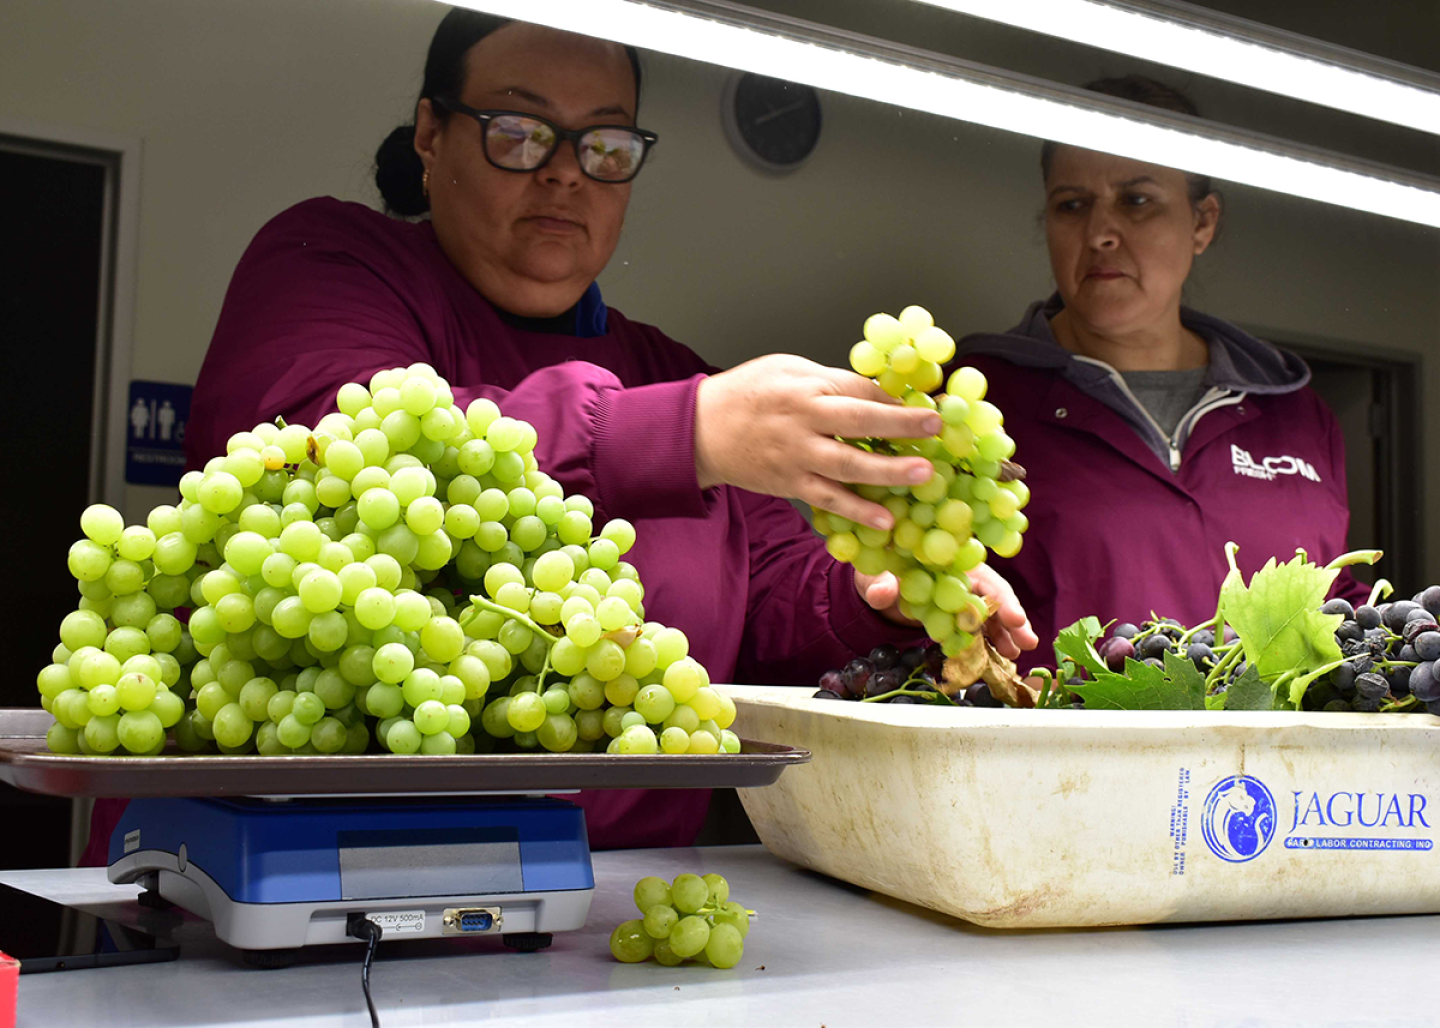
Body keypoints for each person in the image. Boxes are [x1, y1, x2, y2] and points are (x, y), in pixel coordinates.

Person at [82, 9, 1035, 863]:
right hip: (315, 892)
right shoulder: (328, 262)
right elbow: (331, 453)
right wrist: (681, 431)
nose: (566, 173)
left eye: (606, 146)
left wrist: (878, 598)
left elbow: (774, 596)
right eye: (519, 131)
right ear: (430, 132)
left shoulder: (669, 369)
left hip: (612, 918)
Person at [954, 75, 1367, 670]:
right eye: (1072, 205)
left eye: (1137, 200)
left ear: (1203, 222)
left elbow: (1333, 605)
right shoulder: (981, 401)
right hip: (1057, 759)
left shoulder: (1297, 417)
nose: (1099, 233)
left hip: (1268, 765)